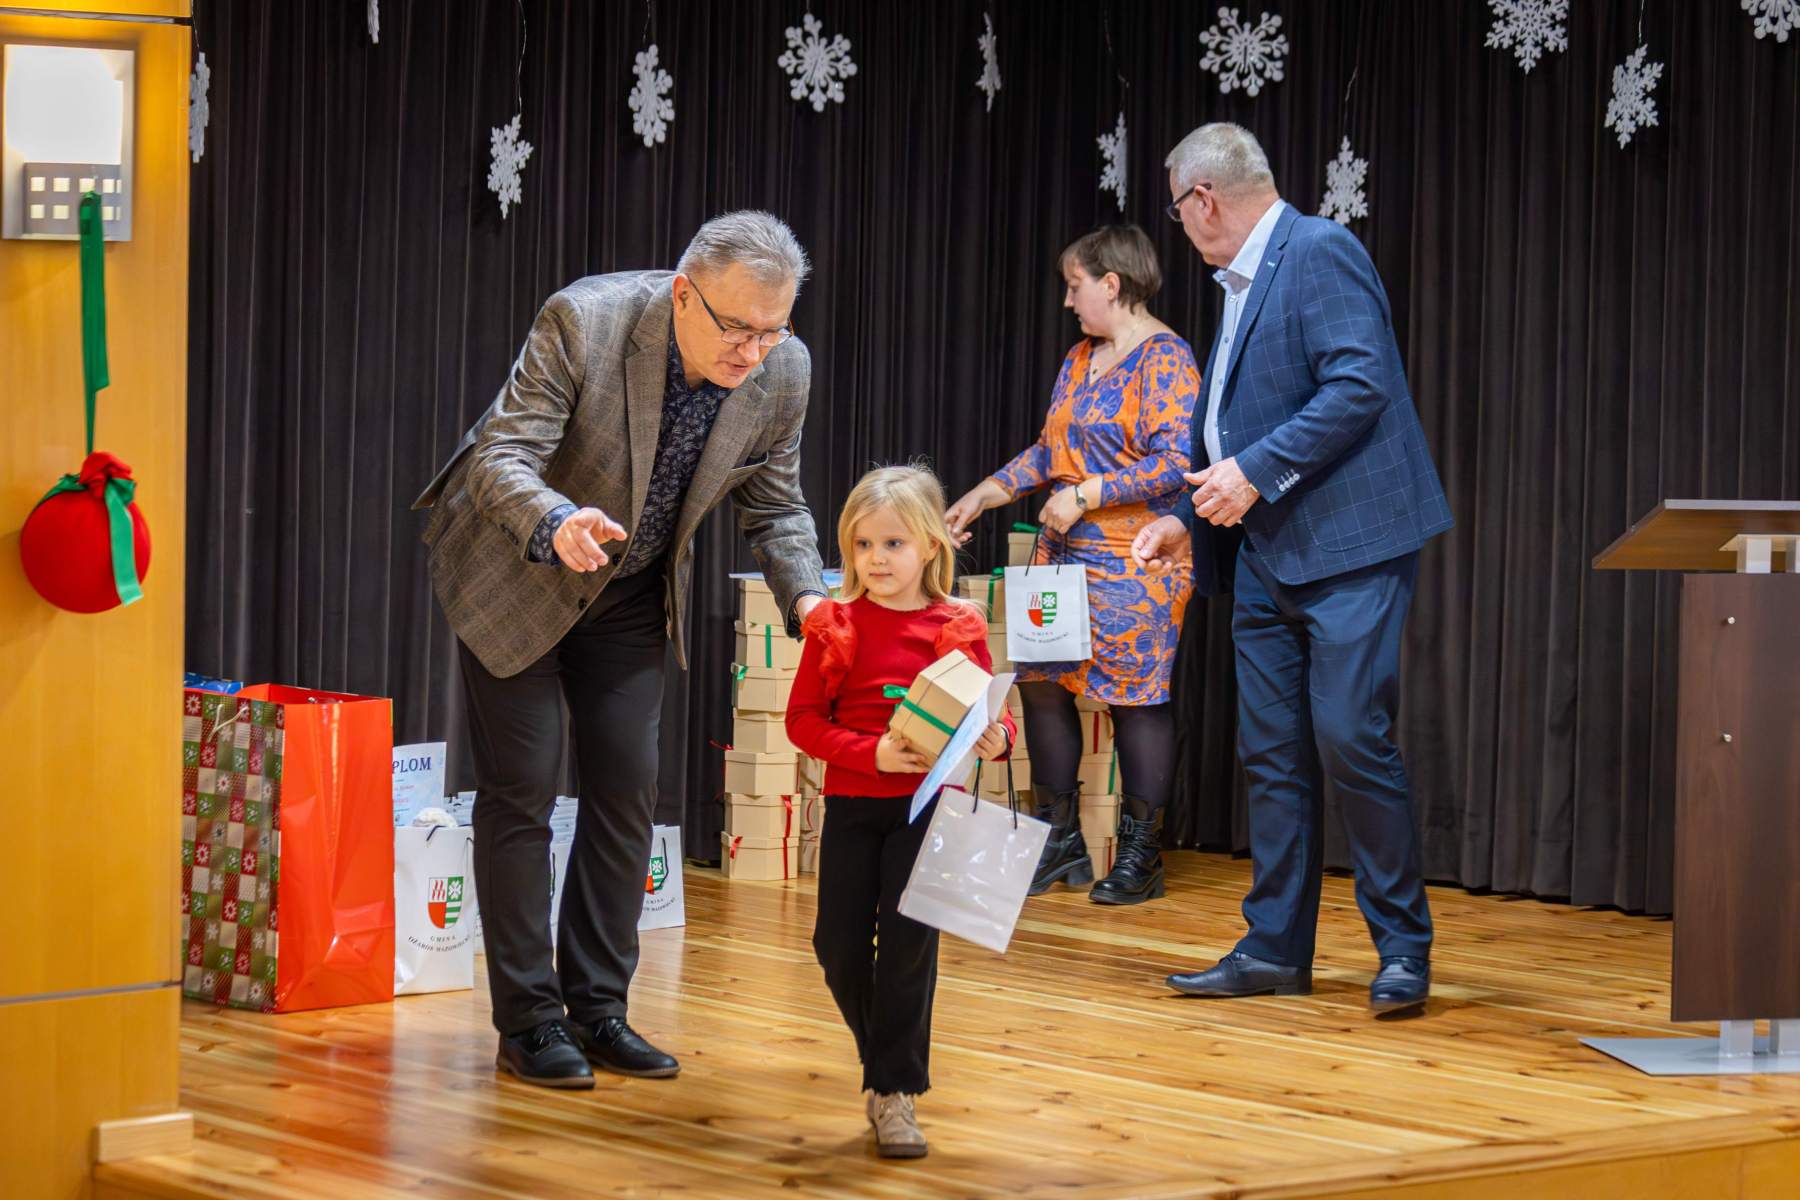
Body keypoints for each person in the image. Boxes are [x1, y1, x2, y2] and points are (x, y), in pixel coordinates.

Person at [413, 211, 829, 1087]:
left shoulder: (781, 370)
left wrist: (810, 599)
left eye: (773, 330)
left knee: (627, 790)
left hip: (632, 589)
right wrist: (557, 520)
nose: (754, 351)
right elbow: (500, 456)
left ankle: (598, 1009)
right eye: (738, 329)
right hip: (518, 568)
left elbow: (777, 506)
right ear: (683, 295)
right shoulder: (587, 320)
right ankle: (529, 1024)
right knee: (523, 789)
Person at [1133, 124, 1453, 1014]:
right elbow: (1237, 424)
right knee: (1272, 756)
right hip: (1265, 552)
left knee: (1350, 735)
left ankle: (1403, 950)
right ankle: (1275, 948)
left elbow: (1360, 384)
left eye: (1177, 207)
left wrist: (1252, 473)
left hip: (1349, 546)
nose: (1180, 225)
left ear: (1203, 200)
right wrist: (1184, 520)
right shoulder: (1243, 280)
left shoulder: (1318, 250)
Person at [946, 226, 1198, 905]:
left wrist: (1088, 494)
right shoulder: (1079, 357)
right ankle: (1058, 845)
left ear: (1111, 285)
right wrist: (984, 494)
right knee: (1042, 685)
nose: (1067, 300)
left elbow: (1178, 461)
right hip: (1061, 558)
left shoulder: (1166, 360)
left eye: (1074, 286)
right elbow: (1047, 451)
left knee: (1134, 700)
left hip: (1136, 559)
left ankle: (1141, 858)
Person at [786, 465, 1016, 1158]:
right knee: (837, 947)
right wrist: (872, 754)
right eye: (863, 545)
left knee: (909, 952)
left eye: (892, 544)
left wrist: (998, 738)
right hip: (854, 804)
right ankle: (885, 1058)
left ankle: (894, 1092)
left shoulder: (956, 625)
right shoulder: (834, 625)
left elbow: (994, 721)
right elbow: (802, 722)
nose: (876, 560)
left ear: (930, 546)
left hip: (929, 812)